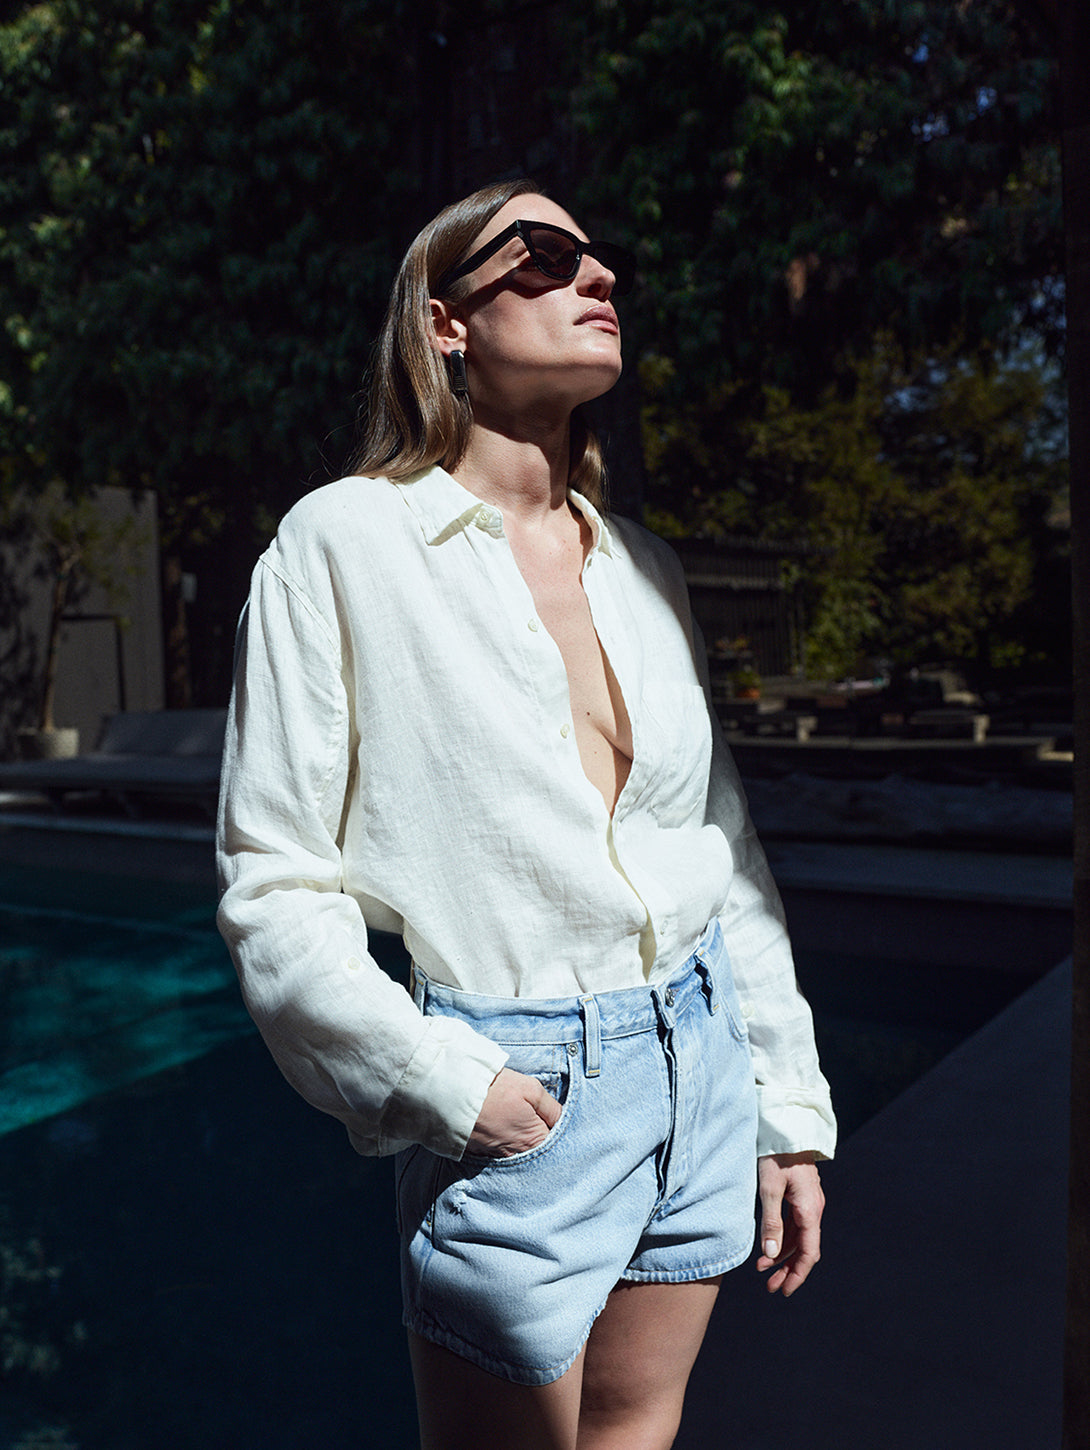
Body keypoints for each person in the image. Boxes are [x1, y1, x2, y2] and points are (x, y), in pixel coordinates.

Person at [216, 177, 836, 1450]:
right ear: (445, 322)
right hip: (519, 1092)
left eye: (599, 259)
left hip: (702, 1065)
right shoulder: (342, 545)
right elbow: (275, 883)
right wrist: (446, 1082)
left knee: (635, 1430)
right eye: (543, 256)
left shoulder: (643, 566)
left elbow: (721, 855)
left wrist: (782, 1105)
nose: (595, 276)